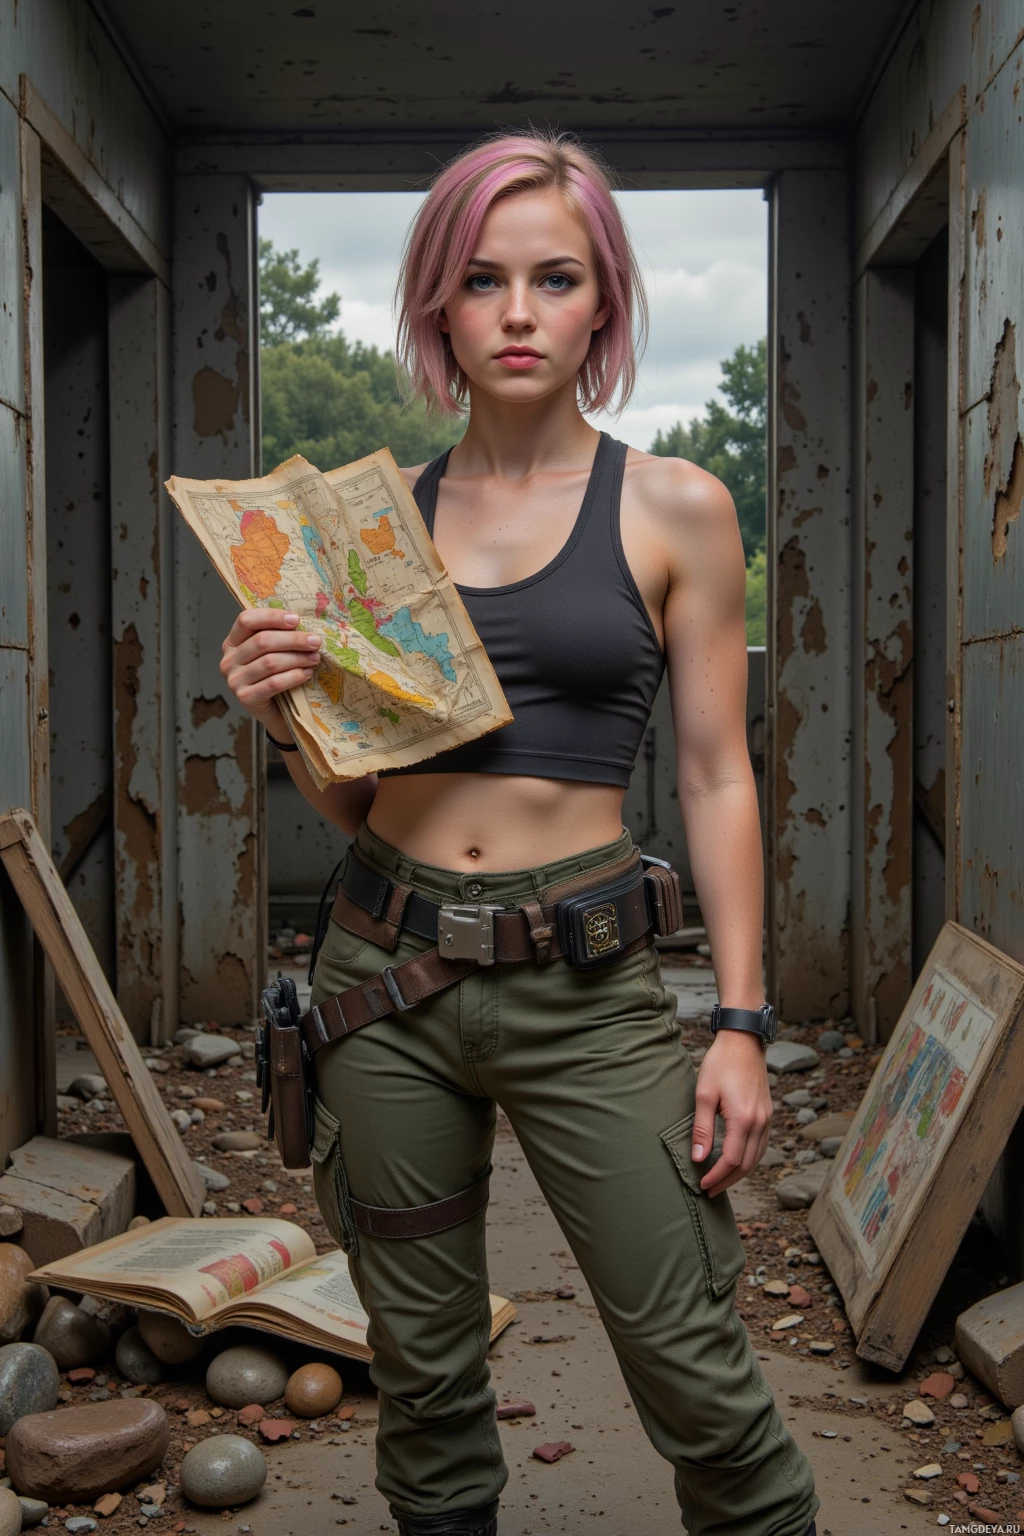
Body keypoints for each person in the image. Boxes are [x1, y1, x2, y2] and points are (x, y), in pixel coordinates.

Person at [220, 131, 820, 1536]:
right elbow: (356, 802)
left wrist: (740, 1021)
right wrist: (280, 719)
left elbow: (720, 775)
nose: (518, 311)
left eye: (555, 278)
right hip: (384, 976)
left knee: (698, 1377)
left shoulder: (675, 506)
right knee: (424, 1393)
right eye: (481, 279)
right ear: (438, 304)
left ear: (603, 300)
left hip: (589, 985)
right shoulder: (379, 531)